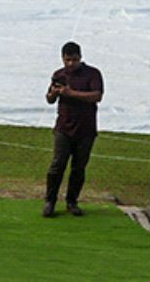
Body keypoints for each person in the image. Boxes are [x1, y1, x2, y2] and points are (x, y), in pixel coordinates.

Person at [43, 42, 104, 218]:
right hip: (64, 127)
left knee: (79, 167)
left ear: (80, 57)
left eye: (74, 60)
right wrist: (54, 93)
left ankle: (72, 201)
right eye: (68, 60)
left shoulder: (92, 74)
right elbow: (49, 99)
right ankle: (50, 201)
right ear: (63, 58)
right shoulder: (59, 74)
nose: (71, 64)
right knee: (57, 165)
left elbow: (96, 95)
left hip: (85, 129)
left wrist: (71, 93)